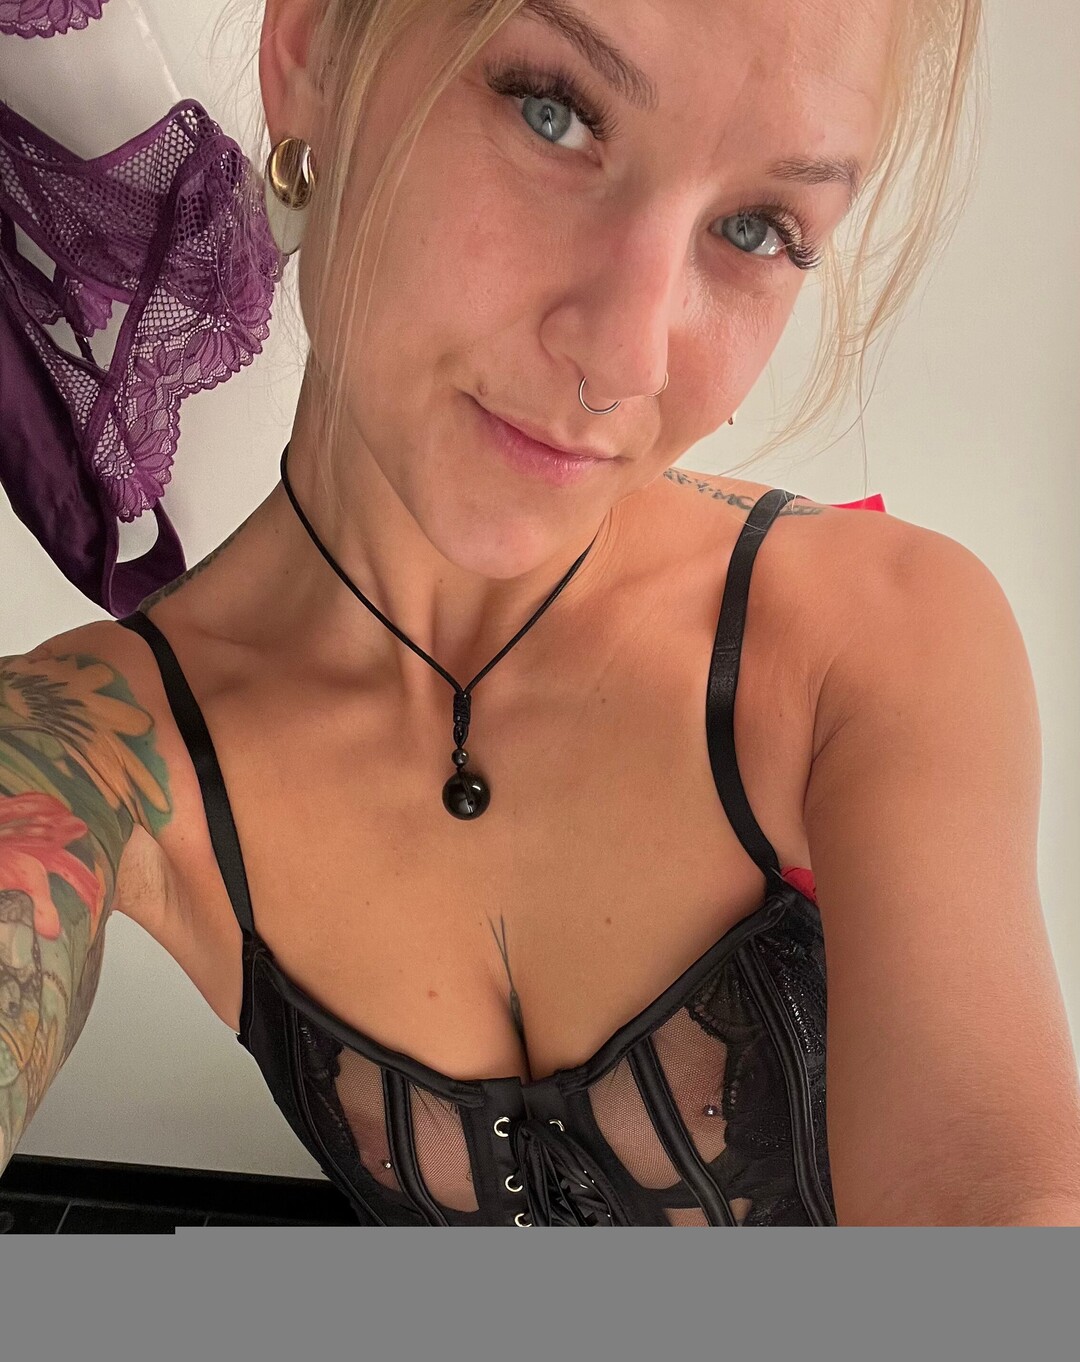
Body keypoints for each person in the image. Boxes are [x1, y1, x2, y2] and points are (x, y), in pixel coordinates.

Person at [2, 0, 1079, 1225]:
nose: (627, 357)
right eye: (553, 113)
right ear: (312, 52)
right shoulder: (93, 752)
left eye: (756, 228)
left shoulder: (865, 643)